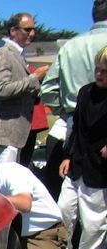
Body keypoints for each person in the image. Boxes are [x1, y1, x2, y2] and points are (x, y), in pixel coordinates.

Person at [41, 0, 107, 200]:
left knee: (72, 200)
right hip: (91, 131)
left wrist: (67, 111)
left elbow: (48, 89)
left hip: (72, 126)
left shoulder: (70, 45)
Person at [57, 46, 107, 249]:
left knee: (94, 220)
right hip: (77, 162)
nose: (99, 75)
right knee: (63, 211)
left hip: (100, 169)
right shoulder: (85, 92)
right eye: (98, 70)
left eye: (105, 72)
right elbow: (76, 128)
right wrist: (67, 156)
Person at [0, 12, 49, 164]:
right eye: (27, 29)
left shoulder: (18, 55)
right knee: (3, 184)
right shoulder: (2, 54)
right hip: (3, 135)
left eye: (33, 30)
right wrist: (34, 78)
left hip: (15, 136)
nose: (32, 33)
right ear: (13, 31)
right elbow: (3, 89)